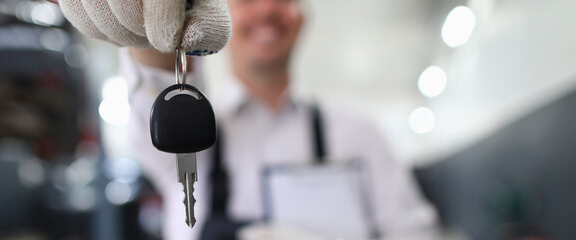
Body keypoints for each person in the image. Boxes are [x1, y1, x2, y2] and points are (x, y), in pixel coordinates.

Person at [56, 0, 437, 239]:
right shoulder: (195, 129)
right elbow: (154, 89)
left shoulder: (359, 132)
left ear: (302, 17)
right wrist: (151, 34)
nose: (267, 8)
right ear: (224, 15)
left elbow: (414, 232)